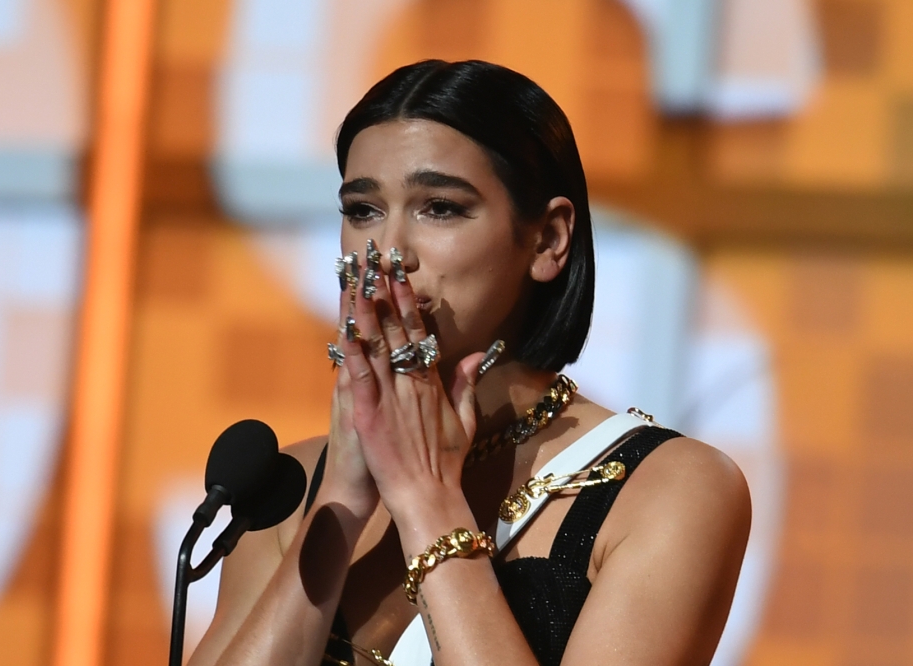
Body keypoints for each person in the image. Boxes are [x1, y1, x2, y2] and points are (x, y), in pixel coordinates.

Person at [189, 59, 751, 666]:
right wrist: (342, 506)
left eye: (441, 208)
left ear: (547, 240)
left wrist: (426, 499)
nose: (392, 252)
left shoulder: (669, 487)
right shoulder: (291, 488)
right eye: (362, 210)